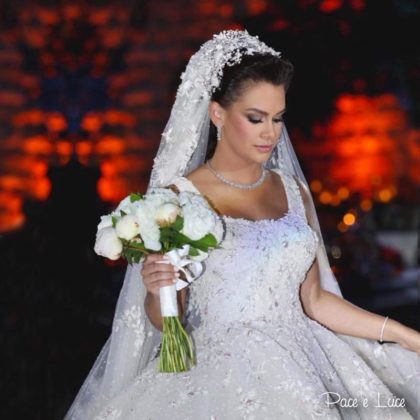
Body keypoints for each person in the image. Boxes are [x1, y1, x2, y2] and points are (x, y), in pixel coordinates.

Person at [64, 30, 420, 419]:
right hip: (221, 376)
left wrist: (401, 333)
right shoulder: (175, 200)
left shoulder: (293, 190)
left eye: (278, 118)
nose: (270, 132)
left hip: (306, 361)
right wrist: (155, 289)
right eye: (255, 118)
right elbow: (169, 318)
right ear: (217, 113)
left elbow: (315, 301)